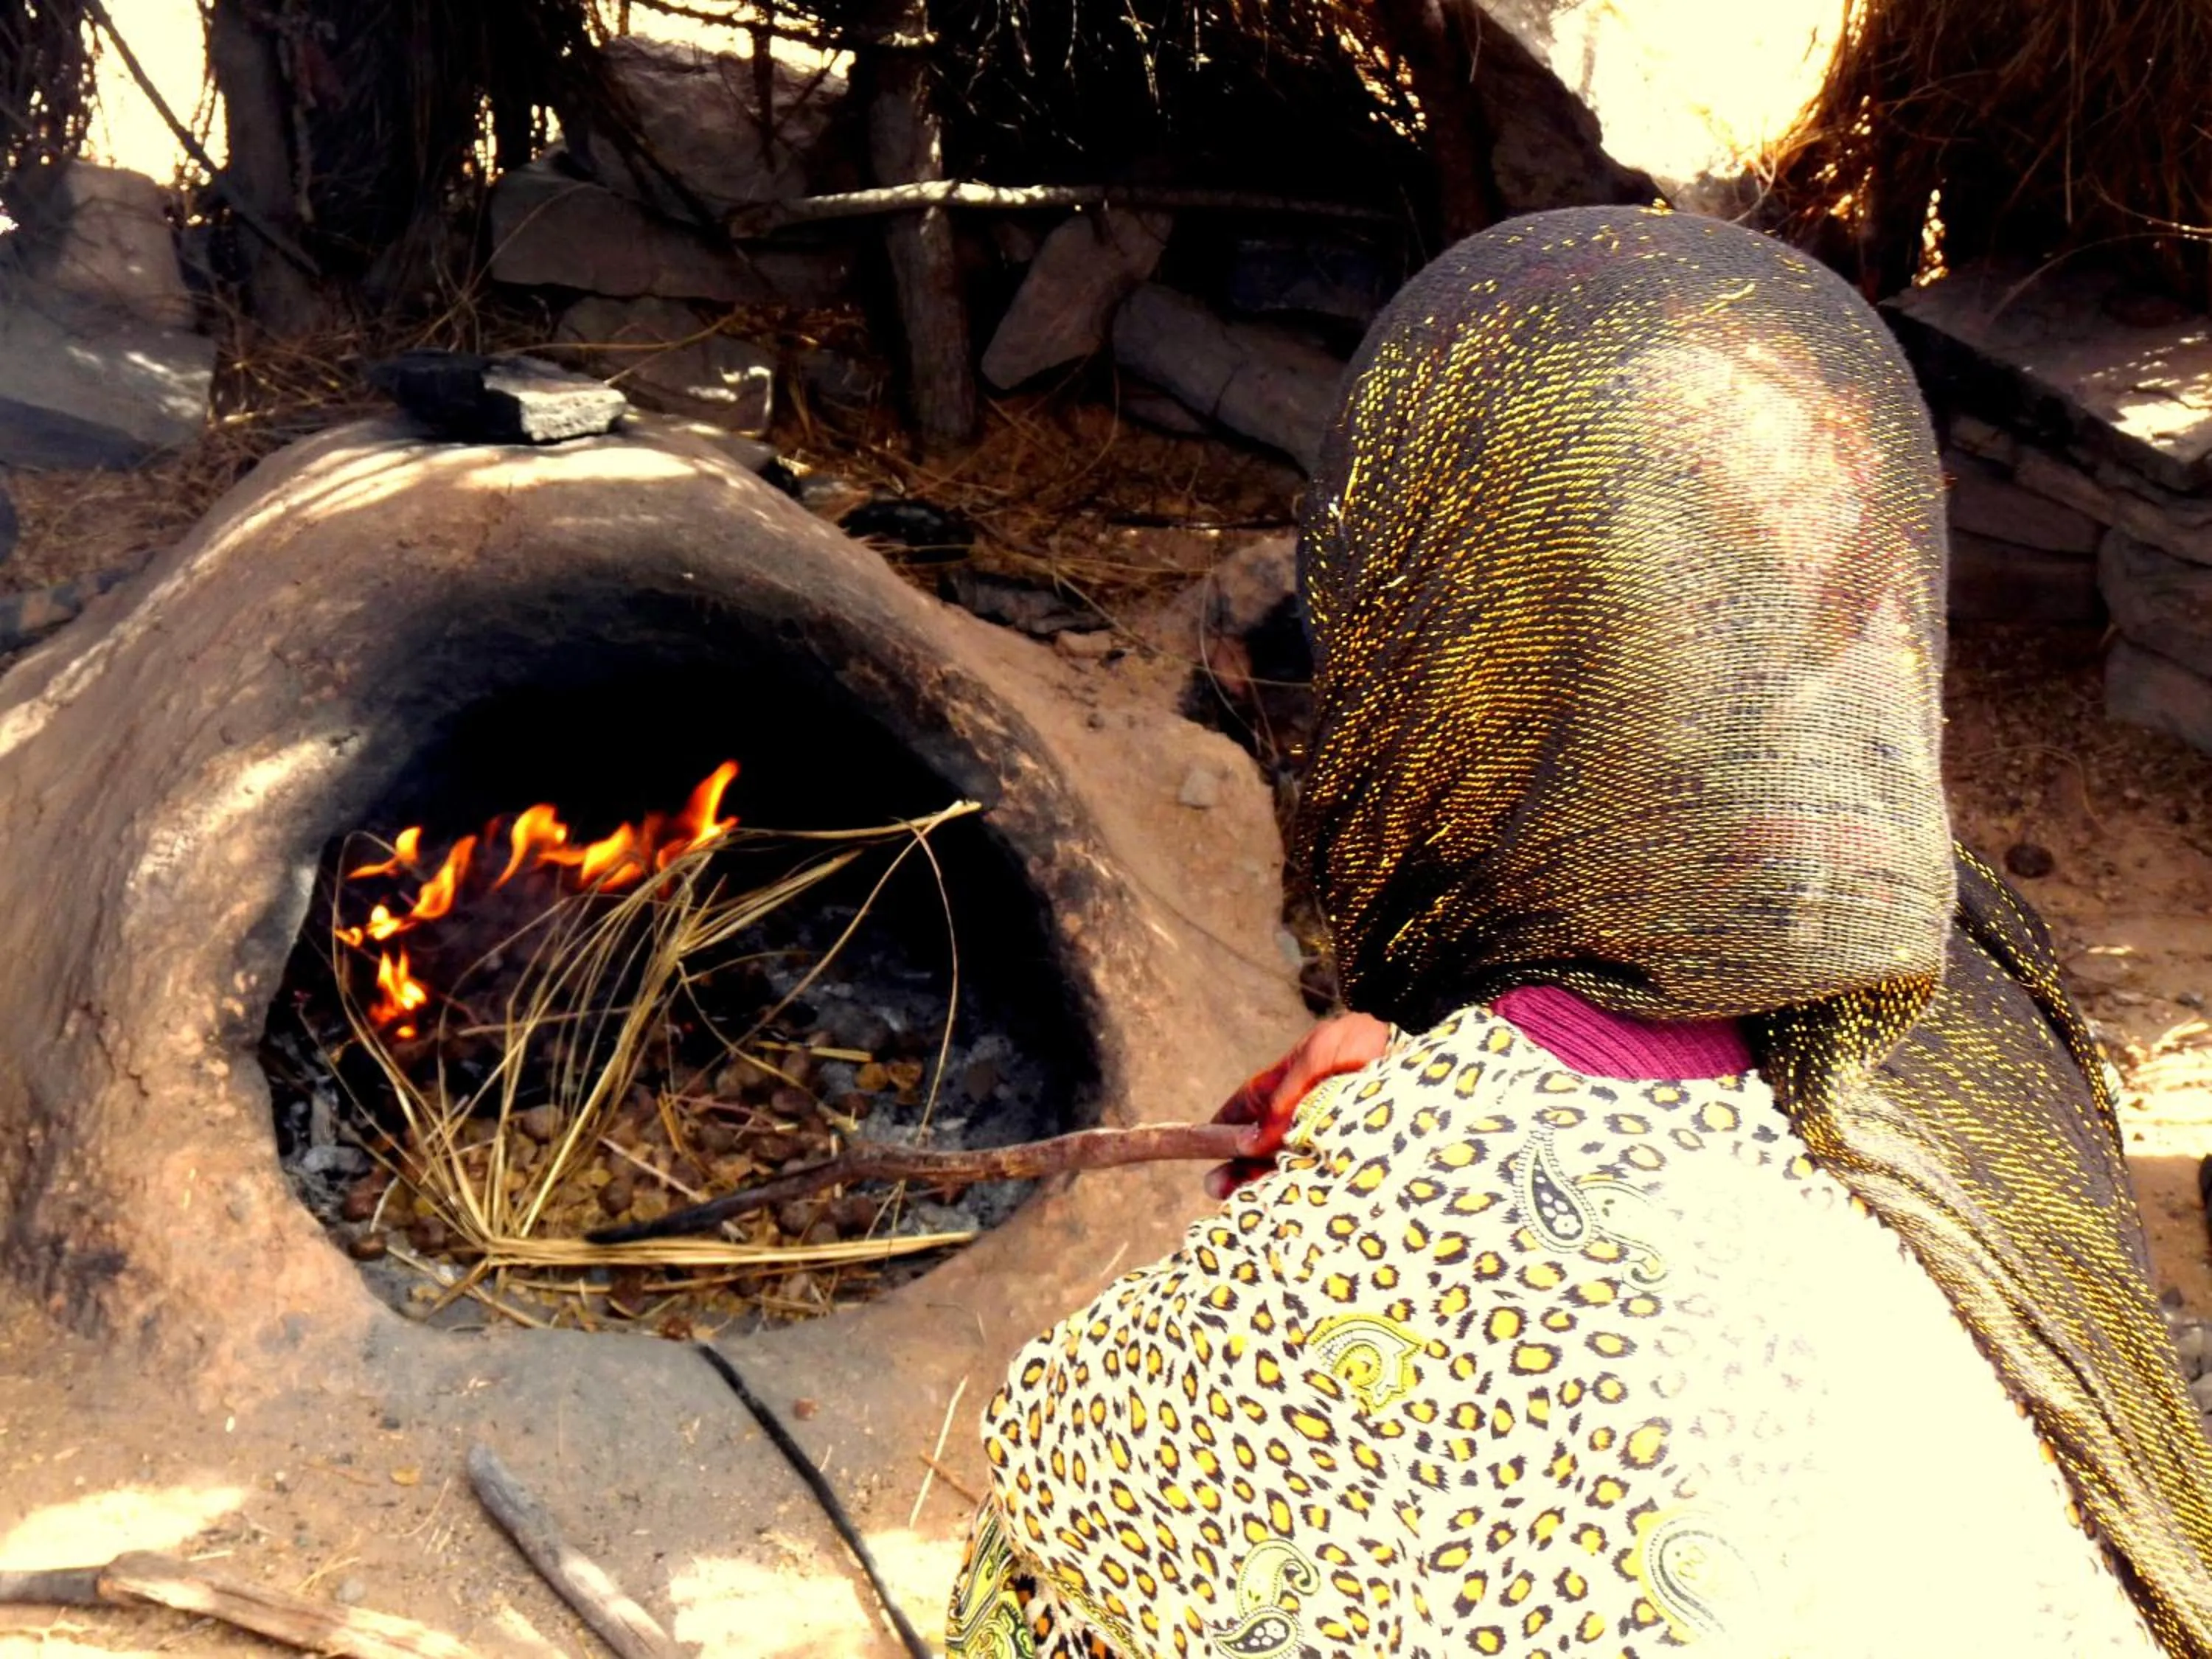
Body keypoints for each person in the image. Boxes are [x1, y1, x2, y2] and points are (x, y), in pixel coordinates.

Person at [943, 206, 2212, 1657]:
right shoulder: (1971, 988)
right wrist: (1454, 1073)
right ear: (1865, 600)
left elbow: (1054, 1532)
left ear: (1420, 639)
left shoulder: (1367, 1262)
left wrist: (1415, 1146)